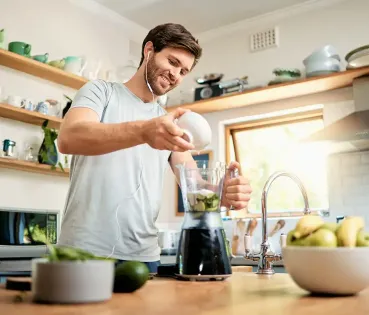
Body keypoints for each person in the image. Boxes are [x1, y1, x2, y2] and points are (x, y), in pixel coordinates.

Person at [57, 23, 252, 273]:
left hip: (144, 257)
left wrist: (220, 193)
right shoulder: (100, 92)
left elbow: (194, 185)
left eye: (183, 71)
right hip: (82, 251)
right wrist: (143, 132)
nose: (176, 75)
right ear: (149, 50)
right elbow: (69, 138)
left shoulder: (170, 124)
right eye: (172, 62)